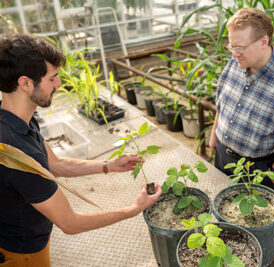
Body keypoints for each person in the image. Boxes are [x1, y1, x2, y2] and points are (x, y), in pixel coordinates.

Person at [0, 34, 162, 267]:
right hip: (23, 252)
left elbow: (55, 165)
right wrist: (133, 210)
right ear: (25, 83)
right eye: (52, 79)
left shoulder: (17, 119)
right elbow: (70, 223)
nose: (58, 85)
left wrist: (108, 165)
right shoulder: (18, 153)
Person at [209, 8, 274, 191]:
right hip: (221, 155)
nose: (234, 53)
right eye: (231, 46)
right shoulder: (236, 60)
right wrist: (213, 137)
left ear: (264, 42)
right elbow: (221, 103)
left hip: (256, 169)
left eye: (240, 47)